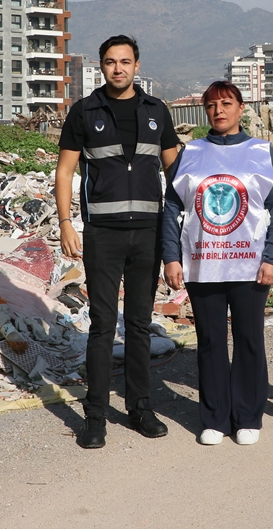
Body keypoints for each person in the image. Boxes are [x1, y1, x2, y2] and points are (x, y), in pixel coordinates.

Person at [55, 35, 181, 449]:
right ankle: (95, 417)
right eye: (111, 62)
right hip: (103, 235)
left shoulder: (156, 110)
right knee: (103, 325)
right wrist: (66, 223)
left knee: (141, 324)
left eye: (125, 62)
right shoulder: (85, 111)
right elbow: (65, 171)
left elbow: (176, 172)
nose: (118, 68)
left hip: (148, 233)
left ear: (136, 66)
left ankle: (140, 408)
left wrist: (184, 226)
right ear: (102, 67)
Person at [161, 81, 273, 446]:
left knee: (249, 339)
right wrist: (171, 257)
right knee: (210, 341)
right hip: (202, 266)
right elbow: (172, 208)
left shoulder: (260, 152)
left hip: (251, 266)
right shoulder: (191, 153)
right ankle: (215, 417)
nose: (219, 111)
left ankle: (248, 416)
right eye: (212, 105)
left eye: (227, 103)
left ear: (240, 107)